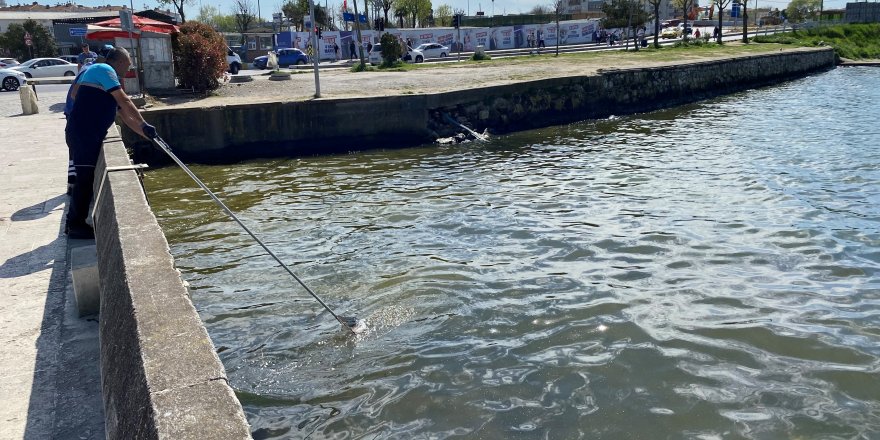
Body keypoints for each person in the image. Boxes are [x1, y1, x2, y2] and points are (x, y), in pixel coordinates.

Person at [64, 47, 156, 239]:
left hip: (87, 133)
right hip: (85, 133)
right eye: (128, 64)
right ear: (120, 62)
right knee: (84, 179)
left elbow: (126, 117)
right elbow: (125, 101)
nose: (128, 69)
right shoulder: (105, 70)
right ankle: (75, 225)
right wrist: (145, 123)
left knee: (85, 177)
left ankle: (74, 223)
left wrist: (147, 134)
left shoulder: (96, 75)